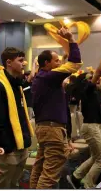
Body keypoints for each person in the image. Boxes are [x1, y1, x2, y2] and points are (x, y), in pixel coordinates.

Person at [30, 27, 82, 189]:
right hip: (51, 130)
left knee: (40, 167)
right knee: (50, 172)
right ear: (47, 64)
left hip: (46, 128)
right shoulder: (49, 77)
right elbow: (75, 64)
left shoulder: (43, 78)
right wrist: (71, 39)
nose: (60, 63)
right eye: (57, 61)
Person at [67, 43, 101, 189]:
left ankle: (76, 176)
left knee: (96, 157)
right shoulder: (87, 89)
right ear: (85, 82)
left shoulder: (93, 92)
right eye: (91, 77)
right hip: (90, 127)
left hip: (92, 126)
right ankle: (87, 183)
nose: (95, 78)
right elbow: (99, 72)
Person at [0, 47, 32, 189]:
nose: (24, 63)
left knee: (14, 184)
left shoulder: (17, 83)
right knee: (0, 186)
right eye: (20, 60)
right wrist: (7, 146)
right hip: (7, 148)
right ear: (9, 62)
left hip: (21, 145)